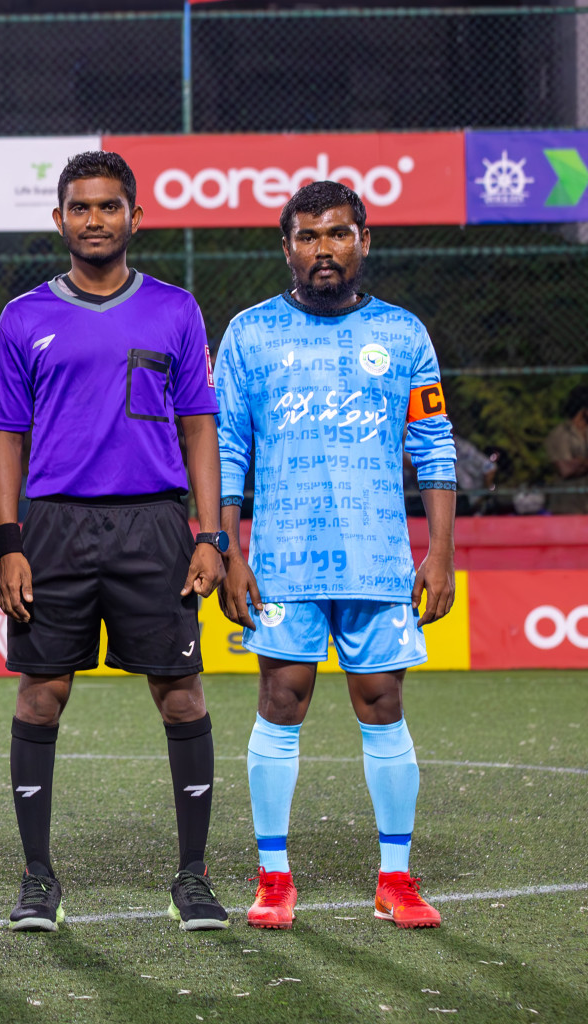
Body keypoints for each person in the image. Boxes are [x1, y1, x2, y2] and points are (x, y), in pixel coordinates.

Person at [0, 151, 228, 933]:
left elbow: (199, 427)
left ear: (135, 217)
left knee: (181, 693)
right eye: (81, 208)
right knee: (41, 694)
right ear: (59, 220)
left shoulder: (175, 309)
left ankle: (191, 877)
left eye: (110, 207)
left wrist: (211, 532)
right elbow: (4, 440)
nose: (96, 220)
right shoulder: (24, 316)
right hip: (53, 526)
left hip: (155, 525)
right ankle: (37, 879)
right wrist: (8, 541)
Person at [214, 181, 456, 930]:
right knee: (280, 701)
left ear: (364, 241)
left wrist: (440, 550)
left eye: (341, 234)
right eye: (310, 235)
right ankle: (275, 877)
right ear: (286, 246)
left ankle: (395, 877)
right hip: (283, 558)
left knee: (383, 704)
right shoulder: (251, 334)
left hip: (379, 557)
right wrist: (228, 549)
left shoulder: (405, 334)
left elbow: (433, 448)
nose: (326, 248)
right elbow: (227, 450)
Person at [545, 384, 588, 515]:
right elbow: (566, 469)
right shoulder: (561, 434)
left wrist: (580, 462)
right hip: (568, 507)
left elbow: (573, 465)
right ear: (584, 410)